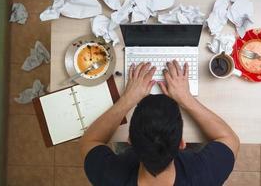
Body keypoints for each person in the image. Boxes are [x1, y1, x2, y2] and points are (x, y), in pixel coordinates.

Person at [80, 60, 240, 186]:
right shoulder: (204, 176)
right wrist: (186, 98)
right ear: (182, 144)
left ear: (129, 141)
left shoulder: (108, 178)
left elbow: (89, 141)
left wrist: (128, 99)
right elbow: (229, 139)